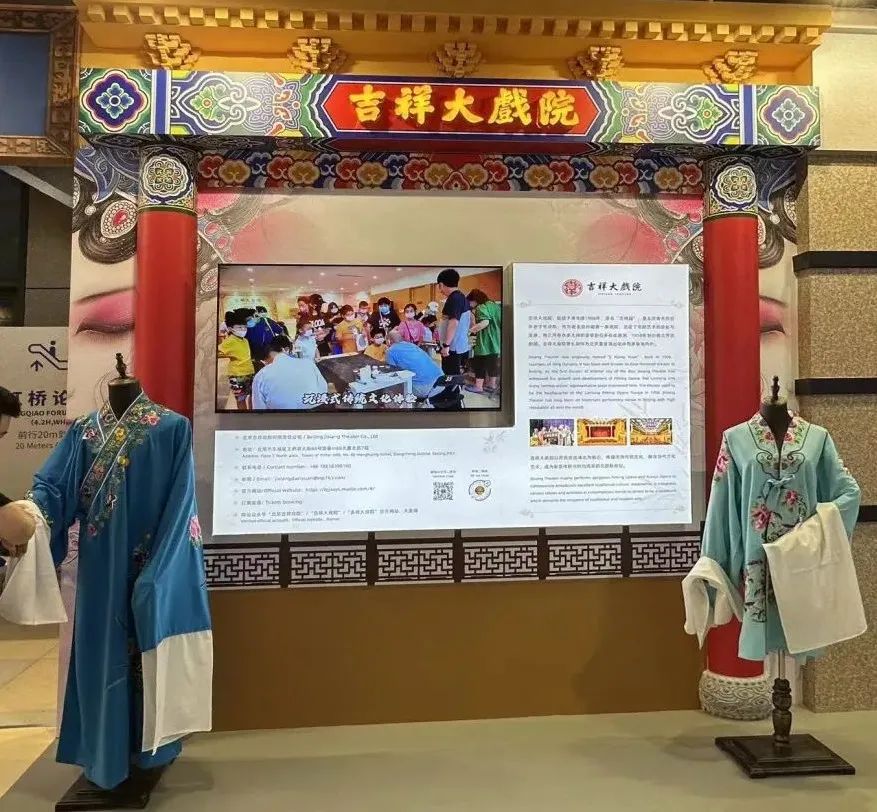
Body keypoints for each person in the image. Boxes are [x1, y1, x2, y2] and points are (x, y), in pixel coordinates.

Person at [252, 335, 328, 411]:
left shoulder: (261, 375)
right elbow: (324, 389)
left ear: (264, 360)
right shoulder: (308, 363)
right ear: (284, 350)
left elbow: (259, 408)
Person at [385, 329, 447, 402]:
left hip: (425, 389)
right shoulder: (412, 345)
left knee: (390, 386)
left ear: (389, 340)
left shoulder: (391, 351)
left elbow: (391, 372)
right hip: (442, 381)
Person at [436, 268, 472, 377]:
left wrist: (446, 345)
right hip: (459, 345)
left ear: (441, 284)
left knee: (450, 376)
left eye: (439, 287)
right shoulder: (461, 297)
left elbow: (454, 323)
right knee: (455, 375)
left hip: (453, 347)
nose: (440, 290)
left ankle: (452, 389)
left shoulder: (454, 299)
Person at [466, 288, 502, 394]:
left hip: (485, 340)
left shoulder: (481, 307)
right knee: (492, 363)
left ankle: (478, 387)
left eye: (470, 303)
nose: (470, 306)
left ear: (474, 300)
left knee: (479, 362)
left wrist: (469, 331)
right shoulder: (495, 306)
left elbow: (485, 322)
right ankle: (491, 385)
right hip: (496, 340)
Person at [217, 312, 255, 410]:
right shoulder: (230, 341)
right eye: (239, 327)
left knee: (253, 396)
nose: (243, 329)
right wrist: (230, 355)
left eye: (244, 327)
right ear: (230, 329)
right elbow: (218, 350)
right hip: (237, 375)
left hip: (249, 372)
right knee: (241, 399)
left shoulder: (245, 340)